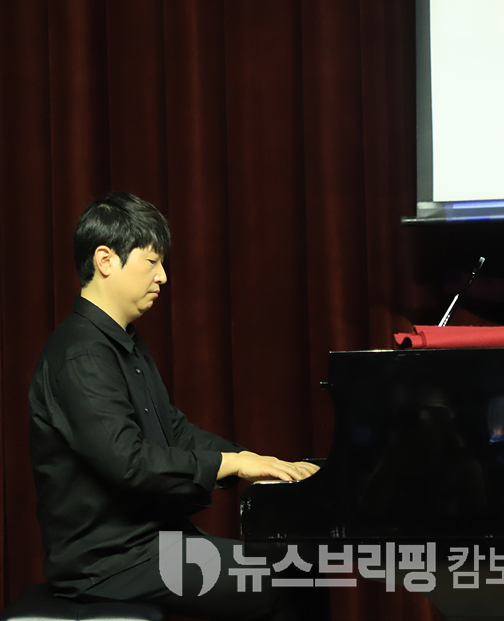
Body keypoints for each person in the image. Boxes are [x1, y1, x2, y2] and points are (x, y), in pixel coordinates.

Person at [28, 192, 325, 621]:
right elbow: (129, 463)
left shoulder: (123, 342)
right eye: (152, 262)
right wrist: (230, 464)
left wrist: (250, 460)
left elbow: (174, 429)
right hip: (108, 561)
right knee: (289, 582)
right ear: (106, 260)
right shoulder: (82, 355)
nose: (163, 276)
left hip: (150, 543)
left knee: (301, 569)